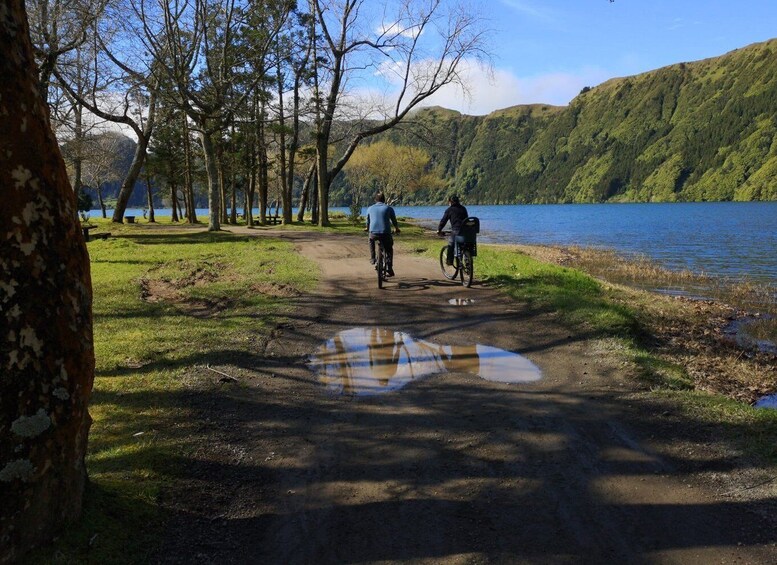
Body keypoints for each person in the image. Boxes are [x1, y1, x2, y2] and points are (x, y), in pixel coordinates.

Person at [365, 192, 400, 276]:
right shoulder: (389, 208)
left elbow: (367, 220)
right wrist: (397, 228)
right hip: (386, 233)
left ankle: (373, 258)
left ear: (375, 200)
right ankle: (389, 267)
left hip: (373, 233)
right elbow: (394, 220)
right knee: (389, 248)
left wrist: (367, 228)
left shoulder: (370, 208)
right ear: (384, 200)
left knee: (370, 240)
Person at [436, 194, 468, 265]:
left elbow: (443, 221)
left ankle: (449, 261)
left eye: (449, 202)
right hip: (466, 232)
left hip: (456, 231)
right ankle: (468, 263)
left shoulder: (449, 210)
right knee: (465, 246)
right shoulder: (463, 208)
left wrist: (439, 230)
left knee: (451, 243)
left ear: (450, 202)